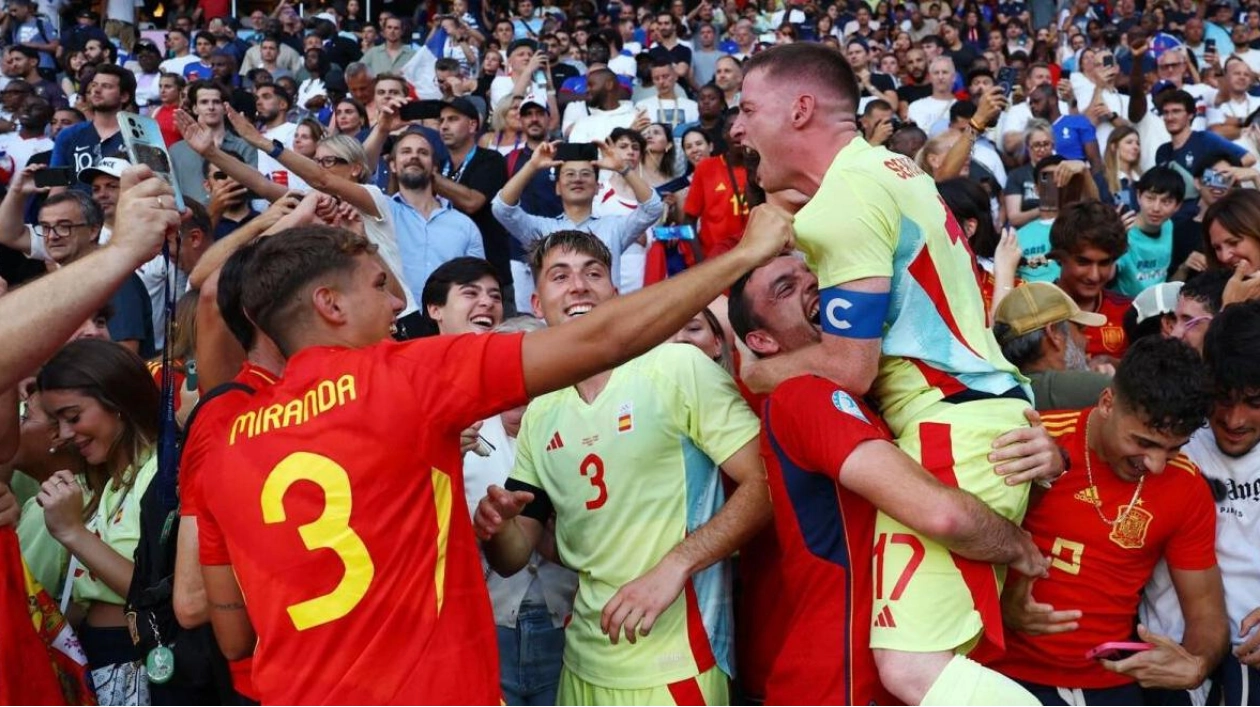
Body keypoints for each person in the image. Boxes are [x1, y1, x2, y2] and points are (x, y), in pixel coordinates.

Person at [195, 203, 792, 705]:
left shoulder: (222, 446)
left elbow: (231, 636)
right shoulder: (404, 378)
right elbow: (603, 338)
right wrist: (742, 255)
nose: (398, 301)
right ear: (330, 305)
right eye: (380, 285)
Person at [730, 42, 1040, 707]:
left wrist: (760, 371)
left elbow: (849, 364)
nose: (737, 127)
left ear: (801, 109)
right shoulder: (890, 166)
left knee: (911, 668)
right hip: (982, 413)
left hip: (954, 426)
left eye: (749, 109)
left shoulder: (839, 204)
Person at [727, 253, 1058, 705]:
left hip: (889, 676)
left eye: (813, 272)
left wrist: (1042, 465)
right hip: (839, 682)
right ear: (762, 340)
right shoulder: (804, 395)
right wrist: (1018, 545)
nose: (812, 284)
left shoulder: (878, 391)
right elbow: (942, 514)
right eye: (785, 288)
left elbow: (969, 492)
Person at [476, 230, 767, 707]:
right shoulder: (541, 409)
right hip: (582, 660)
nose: (579, 286)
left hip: (675, 660)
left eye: (594, 273)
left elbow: (767, 483)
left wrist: (677, 564)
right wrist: (498, 526)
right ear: (536, 300)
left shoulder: (676, 366)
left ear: (615, 291)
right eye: (560, 275)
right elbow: (514, 555)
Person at [992, 337, 1227, 706]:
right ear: (1107, 403)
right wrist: (1001, 606)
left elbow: (1207, 614)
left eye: (1173, 448)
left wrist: (1196, 663)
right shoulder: (1041, 444)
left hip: (1110, 681)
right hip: (1004, 670)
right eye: (1144, 442)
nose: (1156, 465)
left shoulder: (1187, 485)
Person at [1140, 301, 1260, 707]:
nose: (1235, 418)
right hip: (1170, 650)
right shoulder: (1168, 441)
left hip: (1251, 651)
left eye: (1254, 402)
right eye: (1222, 398)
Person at [35, 339, 160, 705]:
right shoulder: (106, 483)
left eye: (73, 417)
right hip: (98, 660)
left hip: (138, 662)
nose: (66, 434)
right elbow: (85, 600)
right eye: (57, 421)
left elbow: (154, 593)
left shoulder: (161, 476)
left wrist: (72, 532)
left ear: (117, 401)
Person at [0, 181, 154, 356]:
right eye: (46, 227)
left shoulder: (114, 278)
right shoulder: (68, 279)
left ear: (94, 230)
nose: (52, 236)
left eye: (64, 226)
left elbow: (124, 353)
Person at [492, 137, 664, 293]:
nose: (577, 179)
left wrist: (623, 169)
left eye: (585, 174)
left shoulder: (614, 228)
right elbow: (502, 209)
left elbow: (653, 208)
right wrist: (531, 166)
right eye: (570, 174)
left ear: (597, 187)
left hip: (605, 319)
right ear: (557, 187)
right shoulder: (542, 230)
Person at [435, 98, 514, 311]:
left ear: (472, 125)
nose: (444, 126)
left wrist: (430, 178)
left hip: (490, 275)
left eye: (452, 119)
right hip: (448, 273)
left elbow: (473, 202)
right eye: (441, 120)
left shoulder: (491, 160)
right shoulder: (440, 166)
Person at [994, 282, 1114, 411]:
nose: (1086, 340)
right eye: (1079, 328)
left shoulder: (995, 394)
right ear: (1054, 334)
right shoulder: (1097, 387)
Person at [1050, 200, 1134, 362]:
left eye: (1104, 263)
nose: (1094, 276)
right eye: (1083, 262)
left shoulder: (1129, 312)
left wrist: (1115, 367)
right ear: (1059, 257)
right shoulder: (1032, 315)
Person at [169, 81, 258, 205]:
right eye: (204, 102)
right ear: (195, 108)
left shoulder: (245, 146)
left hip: (234, 218)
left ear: (225, 108)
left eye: (216, 102)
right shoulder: (176, 151)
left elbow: (254, 186)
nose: (211, 107)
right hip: (192, 220)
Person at [49, 64, 131, 186]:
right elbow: (57, 187)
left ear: (124, 96)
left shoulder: (139, 137)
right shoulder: (68, 135)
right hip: (78, 204)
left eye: (106, 86)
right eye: (94, 85)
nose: (96, 90)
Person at [1115, 166, 1184, 297]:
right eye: (1150, 198)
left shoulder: (1168, 226)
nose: (1156, 208)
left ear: (1178, 206)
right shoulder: (1123, 231)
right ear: (1138, 196)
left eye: (1166, 201)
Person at [420, 256, 503, 336]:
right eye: (471, 293)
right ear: (435, 310)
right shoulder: (413, 350)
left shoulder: (514, 349)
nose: (488, 302)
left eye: (495, 296)